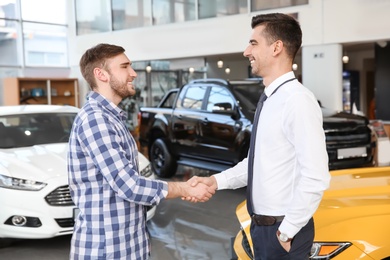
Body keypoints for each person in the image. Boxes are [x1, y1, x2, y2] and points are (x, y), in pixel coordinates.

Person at [186, 13, 331, 259]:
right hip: (263, 229)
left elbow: (316, 177)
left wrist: (287, 232)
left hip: (283, 232)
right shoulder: (271, 99)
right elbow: (257, 163)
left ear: (276, 47)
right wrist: (216, 181)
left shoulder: (296, 100)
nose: (246, 51)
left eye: (253, 43)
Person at [67, 43, 215, 260]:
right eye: (124, 67)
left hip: (129, 246)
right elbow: (129, 185)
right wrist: (185, 188)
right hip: (106, 250)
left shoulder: (111, 119)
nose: (133, 73)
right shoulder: (95, 119)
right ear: (101, 74)